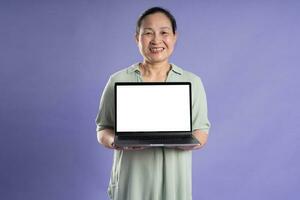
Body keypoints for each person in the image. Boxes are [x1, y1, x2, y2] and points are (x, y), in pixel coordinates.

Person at [95, 7, 210, 200]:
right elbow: (102, 129)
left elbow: (202, 132)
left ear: (174, 37)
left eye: (164, 32)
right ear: (137, 38)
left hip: (174, 183)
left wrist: (186, 142)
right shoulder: (118, 80)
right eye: (148, 33)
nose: (156, 40)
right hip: (132, 181)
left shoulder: (193, 82)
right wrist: (116, 141)